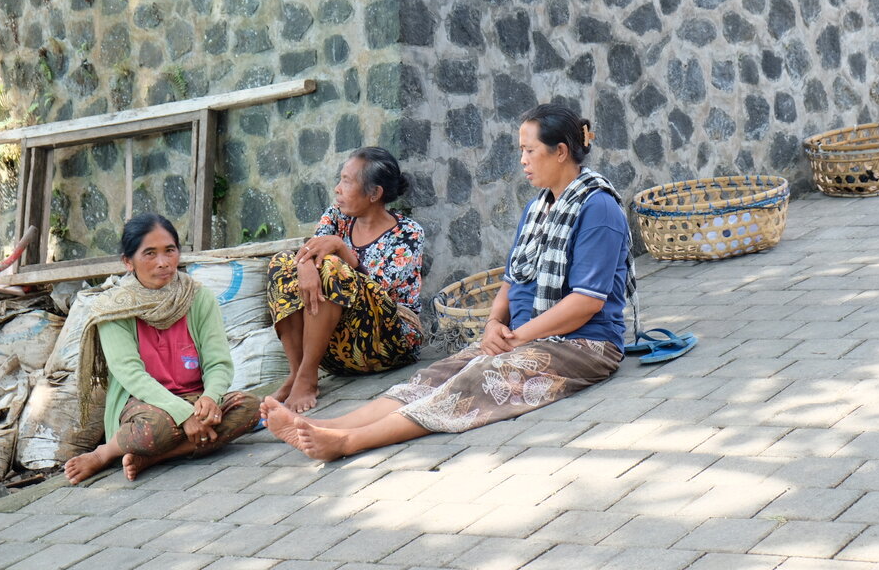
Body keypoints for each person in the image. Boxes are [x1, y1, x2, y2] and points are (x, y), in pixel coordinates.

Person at [261, 103, 635, 461]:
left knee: (478, 377)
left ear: (560, 152)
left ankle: (347, 442)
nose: (522, 160)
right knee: (437, 373)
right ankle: (325, 424)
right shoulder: (539, 207)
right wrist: (493, 324)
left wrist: (515, 338)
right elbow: (513, 277)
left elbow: (587, 302)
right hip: (523, 335)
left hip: (584, 345)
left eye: (529, 150)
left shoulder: (596, 207)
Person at [64, 213, 260, 484]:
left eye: (170, 251)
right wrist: (183, 415)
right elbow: (130, 374)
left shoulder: (197, 296)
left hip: (196, 397)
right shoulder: (112, 308)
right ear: (127, 262)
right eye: (149, 254)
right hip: (145, 406)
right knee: (154, 430)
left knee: (250, 407)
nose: (163, 262)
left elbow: (218, 361)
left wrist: (211, 398)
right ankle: (105, 453)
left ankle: (155, 457)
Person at [266, 146, 424, 413]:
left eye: (347, 181)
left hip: (385, 344)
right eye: (340, 179)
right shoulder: (336, 215)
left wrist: (341, 249)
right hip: (335, 349)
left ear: (374, 194)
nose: (338, 188)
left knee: (333, 267)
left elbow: (378, 294)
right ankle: (299, 372)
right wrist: (303, 264)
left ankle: (306, 377)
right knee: (281, 263)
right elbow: (312, 250)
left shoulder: (408, 233)